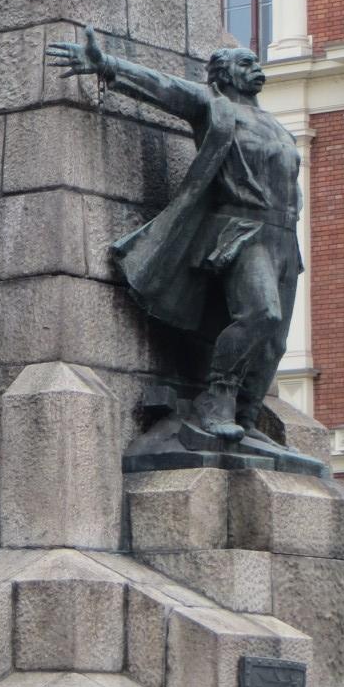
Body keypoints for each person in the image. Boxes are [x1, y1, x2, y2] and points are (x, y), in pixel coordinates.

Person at [47, 29, 303, 441]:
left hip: (285, 237)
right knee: (262, 315)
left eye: (256, 62)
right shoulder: (216, 106)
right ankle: (216, 398)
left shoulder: (276, 125)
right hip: (243, 229)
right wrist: (106, 65)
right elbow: (163, 86)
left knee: (274, 343)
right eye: (246, 63)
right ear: (224, 75)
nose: (256, 68)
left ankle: (247, 419)